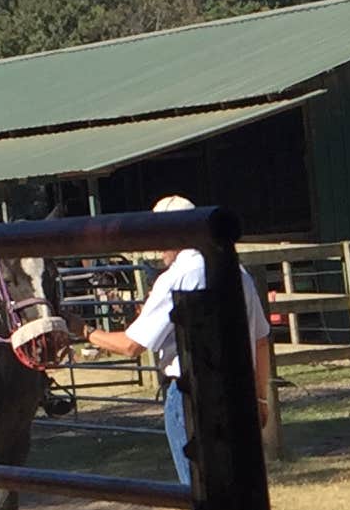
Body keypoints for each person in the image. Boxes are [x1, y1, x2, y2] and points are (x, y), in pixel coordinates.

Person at [73, 199, 274, 492]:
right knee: (239, 485)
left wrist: (85, 331)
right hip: (238, 389)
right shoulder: (237, 272)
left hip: (189, 391)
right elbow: (260, 339)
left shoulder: (176, 278)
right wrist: (260, 397)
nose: (157, 248)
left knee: (199, 489)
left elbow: (131, 345)